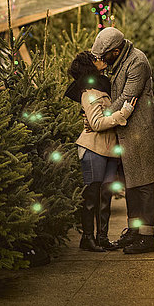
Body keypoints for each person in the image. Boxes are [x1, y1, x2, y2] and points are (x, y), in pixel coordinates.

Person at [91, 27, 154, 254]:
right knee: (131, 184)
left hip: (141, 133)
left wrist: (100, 117)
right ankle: (135, 231)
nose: (101, 61)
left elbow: (127, 98)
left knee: (144, 183)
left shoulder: (137, 62)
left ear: (115, 51)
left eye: (103, 56)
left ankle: (147, 237)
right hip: (125, 134)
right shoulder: (118, 61)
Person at [65, 51, 136, 252]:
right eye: (96, 59)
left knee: (106, 195)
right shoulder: (90, 94)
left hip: (109, 150)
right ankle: (87, 239)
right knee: (92, 196)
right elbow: (96, 124)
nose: (101, 60)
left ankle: (102, 237)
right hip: (93, 149)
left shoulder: (103, 87)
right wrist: (123, 114)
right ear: (89, 66)